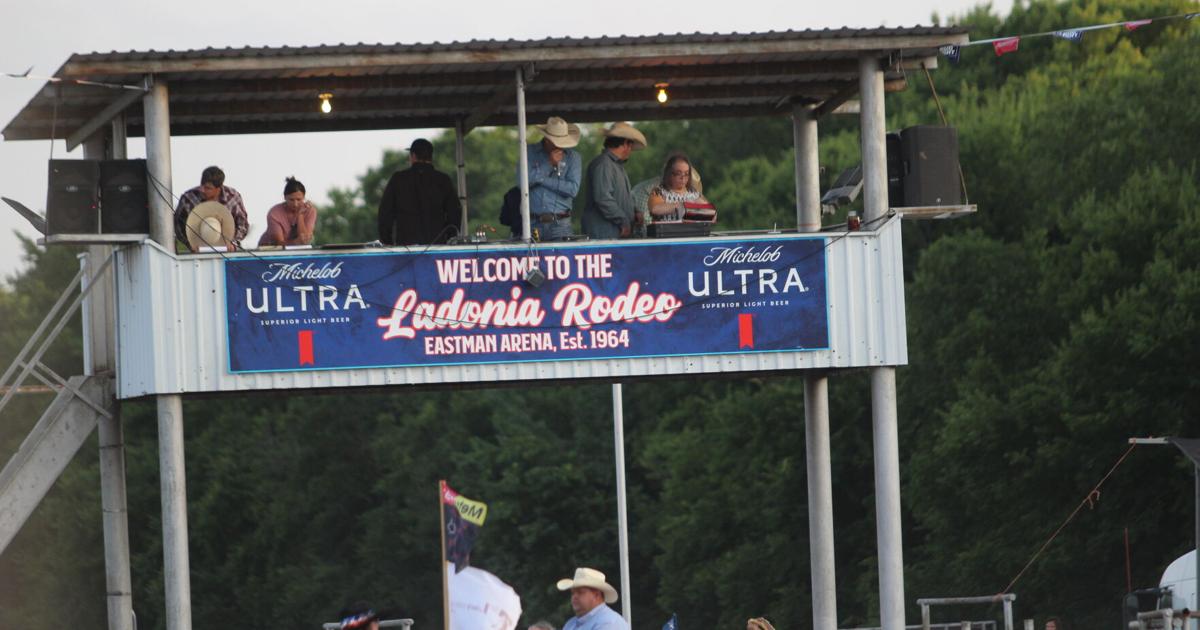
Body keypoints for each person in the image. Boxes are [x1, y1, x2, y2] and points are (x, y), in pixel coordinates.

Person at [377, 138, 460, 245]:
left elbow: (385, 214)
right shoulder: (443, 180)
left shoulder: (398, 179)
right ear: (431, 157)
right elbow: (455, 213)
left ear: (413, 156)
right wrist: (450, 239)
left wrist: (388, 243)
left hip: (405, 249)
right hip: (437, 247)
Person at [582, 122, 646, 240]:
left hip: (612, 232)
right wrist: (623, 221)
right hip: (604, 233)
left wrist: (635, 211)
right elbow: (603, 198)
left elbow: (623, 196)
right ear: (626, 144)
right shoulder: (604, 164)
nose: (630, 150)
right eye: (630, 145)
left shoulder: (615, 166)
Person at [520, 116, 582, 240]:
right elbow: (522, 183)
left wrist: (542, 179)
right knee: (531, 259)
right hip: (532, 223)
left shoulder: (573, 157)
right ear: (547, 140)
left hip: (561, 224)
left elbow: (572, 190)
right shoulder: (529, 152)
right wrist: (549, 164)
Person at [174, 165, 248, 251]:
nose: (202, 190)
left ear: (219, 188)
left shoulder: (233, 198)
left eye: (208, 188)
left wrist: (233, 243)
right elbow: (177, 224)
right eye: (202, 186)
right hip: (197, 250)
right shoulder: (188, 198)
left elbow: (243, 225)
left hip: (228, 250)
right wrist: (189, 243)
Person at [647, 154, 714, 223]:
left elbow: (713, 216)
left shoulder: (694, 193)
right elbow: (655, 209)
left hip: (692, 232)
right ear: (669, 174)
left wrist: (703, 208)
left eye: (686, 174)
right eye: (678, 173)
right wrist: (683, 205)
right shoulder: (659, 191)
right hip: (667, 232)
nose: (683, 177)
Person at [556, 567, 629, 630]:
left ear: (597, 595)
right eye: (572, 593)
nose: (574, 596)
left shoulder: (609, 623)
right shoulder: (570, 624)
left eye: (580, 592)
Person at [258, 176, 317, 247]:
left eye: (299, 200)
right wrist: (296, 242)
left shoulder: (310, 211)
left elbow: (305, 240)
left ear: (304, 197)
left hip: (297, 250)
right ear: (285, 197)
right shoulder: (274, 213)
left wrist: (300, 216)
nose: (295, 204)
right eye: (291, 200)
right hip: (269, 249)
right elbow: (279, 243)